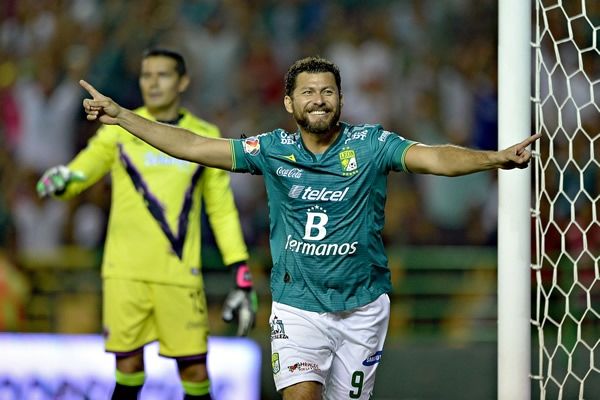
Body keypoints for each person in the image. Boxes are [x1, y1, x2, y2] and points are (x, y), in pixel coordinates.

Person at [79, 56, 540, 400]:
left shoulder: (371, 144)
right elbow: (195, 146)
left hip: (362, 307)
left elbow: (435, 157)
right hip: (297, 305)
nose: (318, 99)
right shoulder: (271, 149)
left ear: (341, 99)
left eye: (327, 91)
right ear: (289, 103)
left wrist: (494, 159)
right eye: (307, 92)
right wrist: (123, 117)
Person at [36, 48, 256, 400]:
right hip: (125, 271)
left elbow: (221, 209)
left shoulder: (203, 134)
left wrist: (240, 269)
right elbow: (86, 167)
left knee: (195, 371)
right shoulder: (118, 127)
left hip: (179, 274)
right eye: (146, 75)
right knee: (127, 369)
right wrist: (66, 178)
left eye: (162, 75)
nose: (152, 83)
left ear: (183, 81)